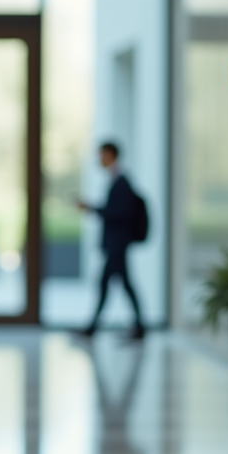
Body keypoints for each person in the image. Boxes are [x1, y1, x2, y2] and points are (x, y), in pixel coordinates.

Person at [77, 141, 145, 339]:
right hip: (116, 244)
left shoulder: (122, 182)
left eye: (102, 155)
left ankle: (94, 327)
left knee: (110, 284)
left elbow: (121, 213)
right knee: (119, 284)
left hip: (118, 244)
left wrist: (92, 208)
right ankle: (136, 327)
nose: (100, 159)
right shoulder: (116, 180)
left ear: (111, 155)